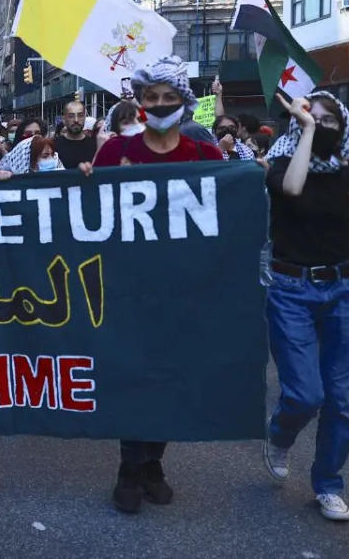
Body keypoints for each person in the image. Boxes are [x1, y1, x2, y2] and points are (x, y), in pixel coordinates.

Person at [83, 56, 223, 515]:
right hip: (128, 289)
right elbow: (86, 214)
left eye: (169, 98)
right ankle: (129, 465)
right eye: (151, 98)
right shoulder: (112, 153)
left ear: (184, 103)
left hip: (185, 291)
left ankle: (153, 463)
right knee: (135, 375)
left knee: (172, 376)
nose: (160, 104)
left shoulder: (206, 156)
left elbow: (228, 211)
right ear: (139, 104)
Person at [261, 91, 349, 522]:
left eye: (329, 119)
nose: (320, 124)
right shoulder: (281, 162)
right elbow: (293, 188)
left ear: (344, 123)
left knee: (341, 399)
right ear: (297, 123)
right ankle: (279, 434)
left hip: (345, 291)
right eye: (310, 117)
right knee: (304, 394)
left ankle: (328, 485)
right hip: (291, 288)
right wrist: (307, 132)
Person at [55, 100, 96, 169]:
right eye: (71, 116)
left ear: (85, 118)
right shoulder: (54, 145)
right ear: (64, 119)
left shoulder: (94, 144)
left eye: (80, 115)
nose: (76, 120)